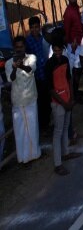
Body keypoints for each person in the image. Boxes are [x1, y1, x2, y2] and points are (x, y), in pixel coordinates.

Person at [45, 41, 81, 175]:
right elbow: (50, 89)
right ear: (52, 51)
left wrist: (71, 98)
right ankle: (57, 164)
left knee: (65, 128)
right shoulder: (49, 65)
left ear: (62, 49)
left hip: (66, 99)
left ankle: (65, 153)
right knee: (58, 132)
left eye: (59, 50)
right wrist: (64, 102)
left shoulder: (65, 60)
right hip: (58, 102)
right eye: (55, 51)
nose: (58, 53)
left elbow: (69, 80)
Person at [6, 36, 41, 165]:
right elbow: (10, 79)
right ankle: (23, 159)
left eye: (21, 47)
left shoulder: (31, 58)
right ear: (14, 48)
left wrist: (21, 66)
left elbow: (31, 70)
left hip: (31, 98)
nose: (19, 49)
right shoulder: (9, 63)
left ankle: (35, 154)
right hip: (18, 101)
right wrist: (15, 67)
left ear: (25, 47)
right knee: (20, 131)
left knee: (32, 128)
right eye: (17, 47)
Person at [25, 16, 50, 134]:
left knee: (47, 101)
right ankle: (42, 127)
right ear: (29, 29)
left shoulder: (43, 39)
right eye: (32, 28)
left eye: (36, 27)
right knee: (40, 103)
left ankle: (47, 124)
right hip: (36, 77)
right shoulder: (28, 42)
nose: (35, 30)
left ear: (39, 27)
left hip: (45, 74)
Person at [63, 0, 83, 104]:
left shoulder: (76, 8)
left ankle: (76, 91)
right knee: (75, 70)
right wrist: (71, 44)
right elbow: (66, 30)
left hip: (79, 42)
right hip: (73, 45)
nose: (73, 0)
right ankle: (75, 95)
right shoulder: (68, 12)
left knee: (79, 69)